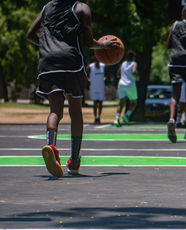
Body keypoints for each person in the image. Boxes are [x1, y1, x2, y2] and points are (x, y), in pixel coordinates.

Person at [27, 0, 119, 177]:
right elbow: (88, 41)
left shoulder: (47, 7)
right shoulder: (81, 8)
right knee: (75, 110)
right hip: (71, 63)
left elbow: (30, 34)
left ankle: (51, 147)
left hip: (48, 62)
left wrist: (47, 47)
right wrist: (103, 46)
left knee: (55, 110)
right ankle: (74, 161)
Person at [166, 6, 186, 143]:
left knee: (175, 95)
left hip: (175, 61)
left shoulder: (175, 25)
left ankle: (172, 119)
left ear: (182, 13)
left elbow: (168, 45)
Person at [114, 50, 139, 127]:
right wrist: (137, 77)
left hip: (121, 84)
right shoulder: (134, 63)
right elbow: (134, 71)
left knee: (121, 103)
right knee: (134, 102)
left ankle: (117, 119)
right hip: (130, 84)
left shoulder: (123, 63)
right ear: (134, 57)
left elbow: (118, 73)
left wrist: (122, 77)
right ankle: (126, 116)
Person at [86, 57, 106, 124]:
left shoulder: (103, 65)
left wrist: (106, 77)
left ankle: (99, 117)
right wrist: (88, 79)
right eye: (96, 60)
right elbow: (85, 72)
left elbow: (108, 72)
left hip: (101, 87)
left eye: (98, 60)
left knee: (100, 103)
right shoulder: (90, 66)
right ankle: (95, 117)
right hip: (94, 87)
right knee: (95, 103)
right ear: (94, 60)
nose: (97, 61)